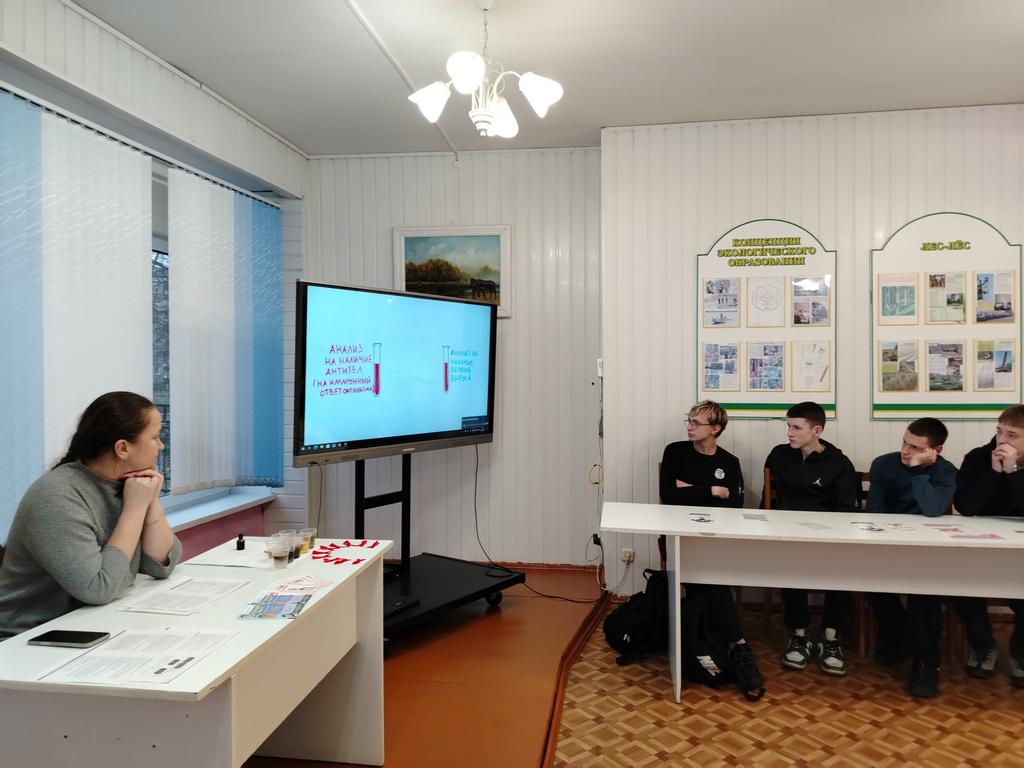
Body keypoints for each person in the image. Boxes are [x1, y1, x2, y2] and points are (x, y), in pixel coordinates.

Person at [0, 392, 182, 639]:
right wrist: (135, 509)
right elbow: (97, 588)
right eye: (155, 437)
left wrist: (151, 500)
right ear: (123, 448)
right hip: (26, 638)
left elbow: (161, 564)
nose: (161, 446)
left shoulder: (127, 484)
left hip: (88, 626)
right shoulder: (57, 496)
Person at [660, 400, 765, 701]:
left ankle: (718, 645)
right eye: (689, 420)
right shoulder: (675, 452)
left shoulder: (729, 462)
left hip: (716, 538)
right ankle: (738, 646)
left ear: (715, 429)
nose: (690, 427)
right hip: (681, 535)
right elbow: (669, 495)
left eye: (697, 423)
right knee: (711, 581)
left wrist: (689, 489)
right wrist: (712, 491)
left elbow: (734, 505)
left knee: (707, 579)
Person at [761, 401, 858, 676]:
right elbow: (767, 498)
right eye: (788, 426)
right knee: (792, 564)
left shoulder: (839, 463)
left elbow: (845, 511)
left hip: (828, 537)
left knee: (843, 567)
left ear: (817, 431)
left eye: (796, 428)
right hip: (789, 534)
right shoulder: (779, 455)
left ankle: (831, 636)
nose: (789, 433)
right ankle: (799, 633)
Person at [866, 417, 957, 698]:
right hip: (889, 544)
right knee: (873, 584)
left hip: (928, 549)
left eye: (916, 448)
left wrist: (917, 470)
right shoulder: (884, 464)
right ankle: (898, 639)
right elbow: (875, 512)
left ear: (935, 450)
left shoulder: (945, 471)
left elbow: (932, 509)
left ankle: (925, 663)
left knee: (924, 594)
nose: (906, 451)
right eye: (905, 443)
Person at [951, 405, 1024, 686]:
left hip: (1018, 549)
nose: (1001, 440)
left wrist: (1013, 471)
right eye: (999, 431)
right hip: (981, 545)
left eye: (1012, 435)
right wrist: (993, 474)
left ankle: (1020, 653)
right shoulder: (978, 458)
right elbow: (966, 506)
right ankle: (983, 646)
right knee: (962, 586)